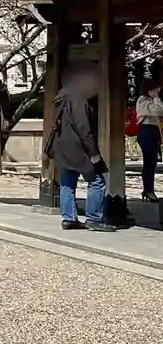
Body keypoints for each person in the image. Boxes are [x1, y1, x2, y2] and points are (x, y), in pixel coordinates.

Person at [47, 64, 111, 232]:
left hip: (62, 147)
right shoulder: (77, 98)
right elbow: (83, 127)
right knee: (97, 181)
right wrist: (94, 152)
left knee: (67, 184)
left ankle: (68, 218)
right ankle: (94, 218)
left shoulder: (60, 96)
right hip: (78, 148)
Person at [136, 82, 163, 202]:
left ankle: (149, 190)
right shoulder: (143, 101)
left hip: (153, 130)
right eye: (156, 89)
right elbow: (158, 111)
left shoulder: (152, 100)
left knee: (152, 162)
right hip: (146, 130)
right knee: (149, 161)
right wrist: (156, 98)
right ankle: (148, 190)